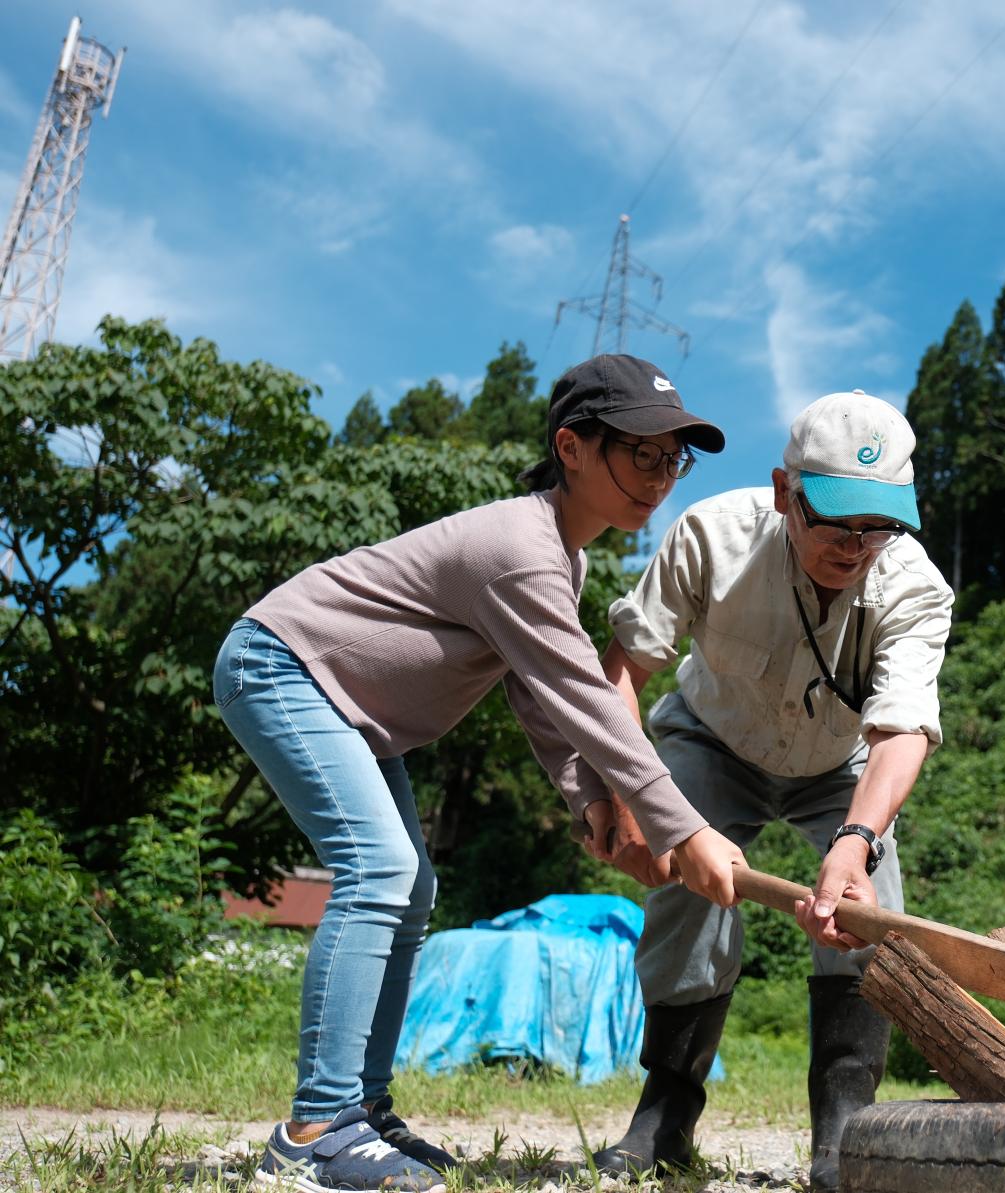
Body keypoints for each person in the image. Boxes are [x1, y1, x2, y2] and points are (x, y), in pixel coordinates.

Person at [214, 354, 746, 1193]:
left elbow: (540, 701)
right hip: (283, 666)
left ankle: (362, 1109)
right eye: (641, 452)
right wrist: (683, 825)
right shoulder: (519, 549)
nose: (659, 477)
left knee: (411, 886)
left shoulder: (560, 559)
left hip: (349, 710)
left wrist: (595, 804)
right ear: (571, 447)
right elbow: (588, 698)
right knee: (379, 869)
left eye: (672, 459)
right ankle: (317, 1128)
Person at [585, 390, 953, 1190]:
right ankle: (665, 1113)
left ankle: (844, 1132)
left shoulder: (916, 586)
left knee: (870, 909)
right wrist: (633, 796)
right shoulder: (710, 536)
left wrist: (855, 843)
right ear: (787, 491)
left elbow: (901, 731)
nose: (855, 547)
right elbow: (623, 671)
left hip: (839, 767)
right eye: (836, 523)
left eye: (877, 527)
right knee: (687, 894)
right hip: (712, 741)